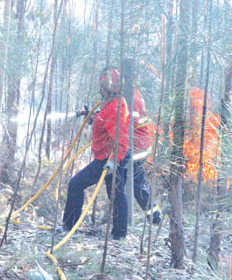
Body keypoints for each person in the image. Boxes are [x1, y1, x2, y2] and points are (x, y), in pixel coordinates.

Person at [62, 67, 130, 240]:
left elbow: (120, 137)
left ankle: (69, 227)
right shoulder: (111, 104)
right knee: (115, 194)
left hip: (110, 158)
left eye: (102, 86)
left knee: (76, 184)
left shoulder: (116, 107)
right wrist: (93, 118)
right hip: (108, 156)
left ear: (106, 87)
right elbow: (105, 120)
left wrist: (114, 161)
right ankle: (119, 234)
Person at [132, 86, 162, 224]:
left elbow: (130, 123)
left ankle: (155, 216)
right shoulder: (134, 93)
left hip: (137, 147)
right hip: (138, 144)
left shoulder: (130, 98)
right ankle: (155, 214)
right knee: (138, 183)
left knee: (137, 184)